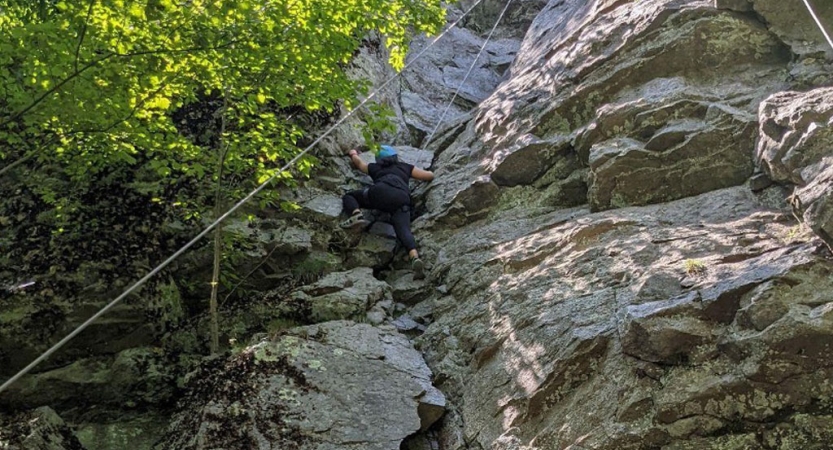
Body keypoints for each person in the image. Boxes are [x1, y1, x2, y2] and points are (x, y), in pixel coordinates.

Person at [340, 145, 434, 279]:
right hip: (400, 199)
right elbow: (429, 176)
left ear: (379, 159)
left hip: (379, 193)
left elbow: (359, 164)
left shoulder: (375, 167)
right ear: (395, 156)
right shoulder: (405, 167)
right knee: (403, 229)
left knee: (350, 196)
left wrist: (353, 153)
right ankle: (414, 256)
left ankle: (356, 214)